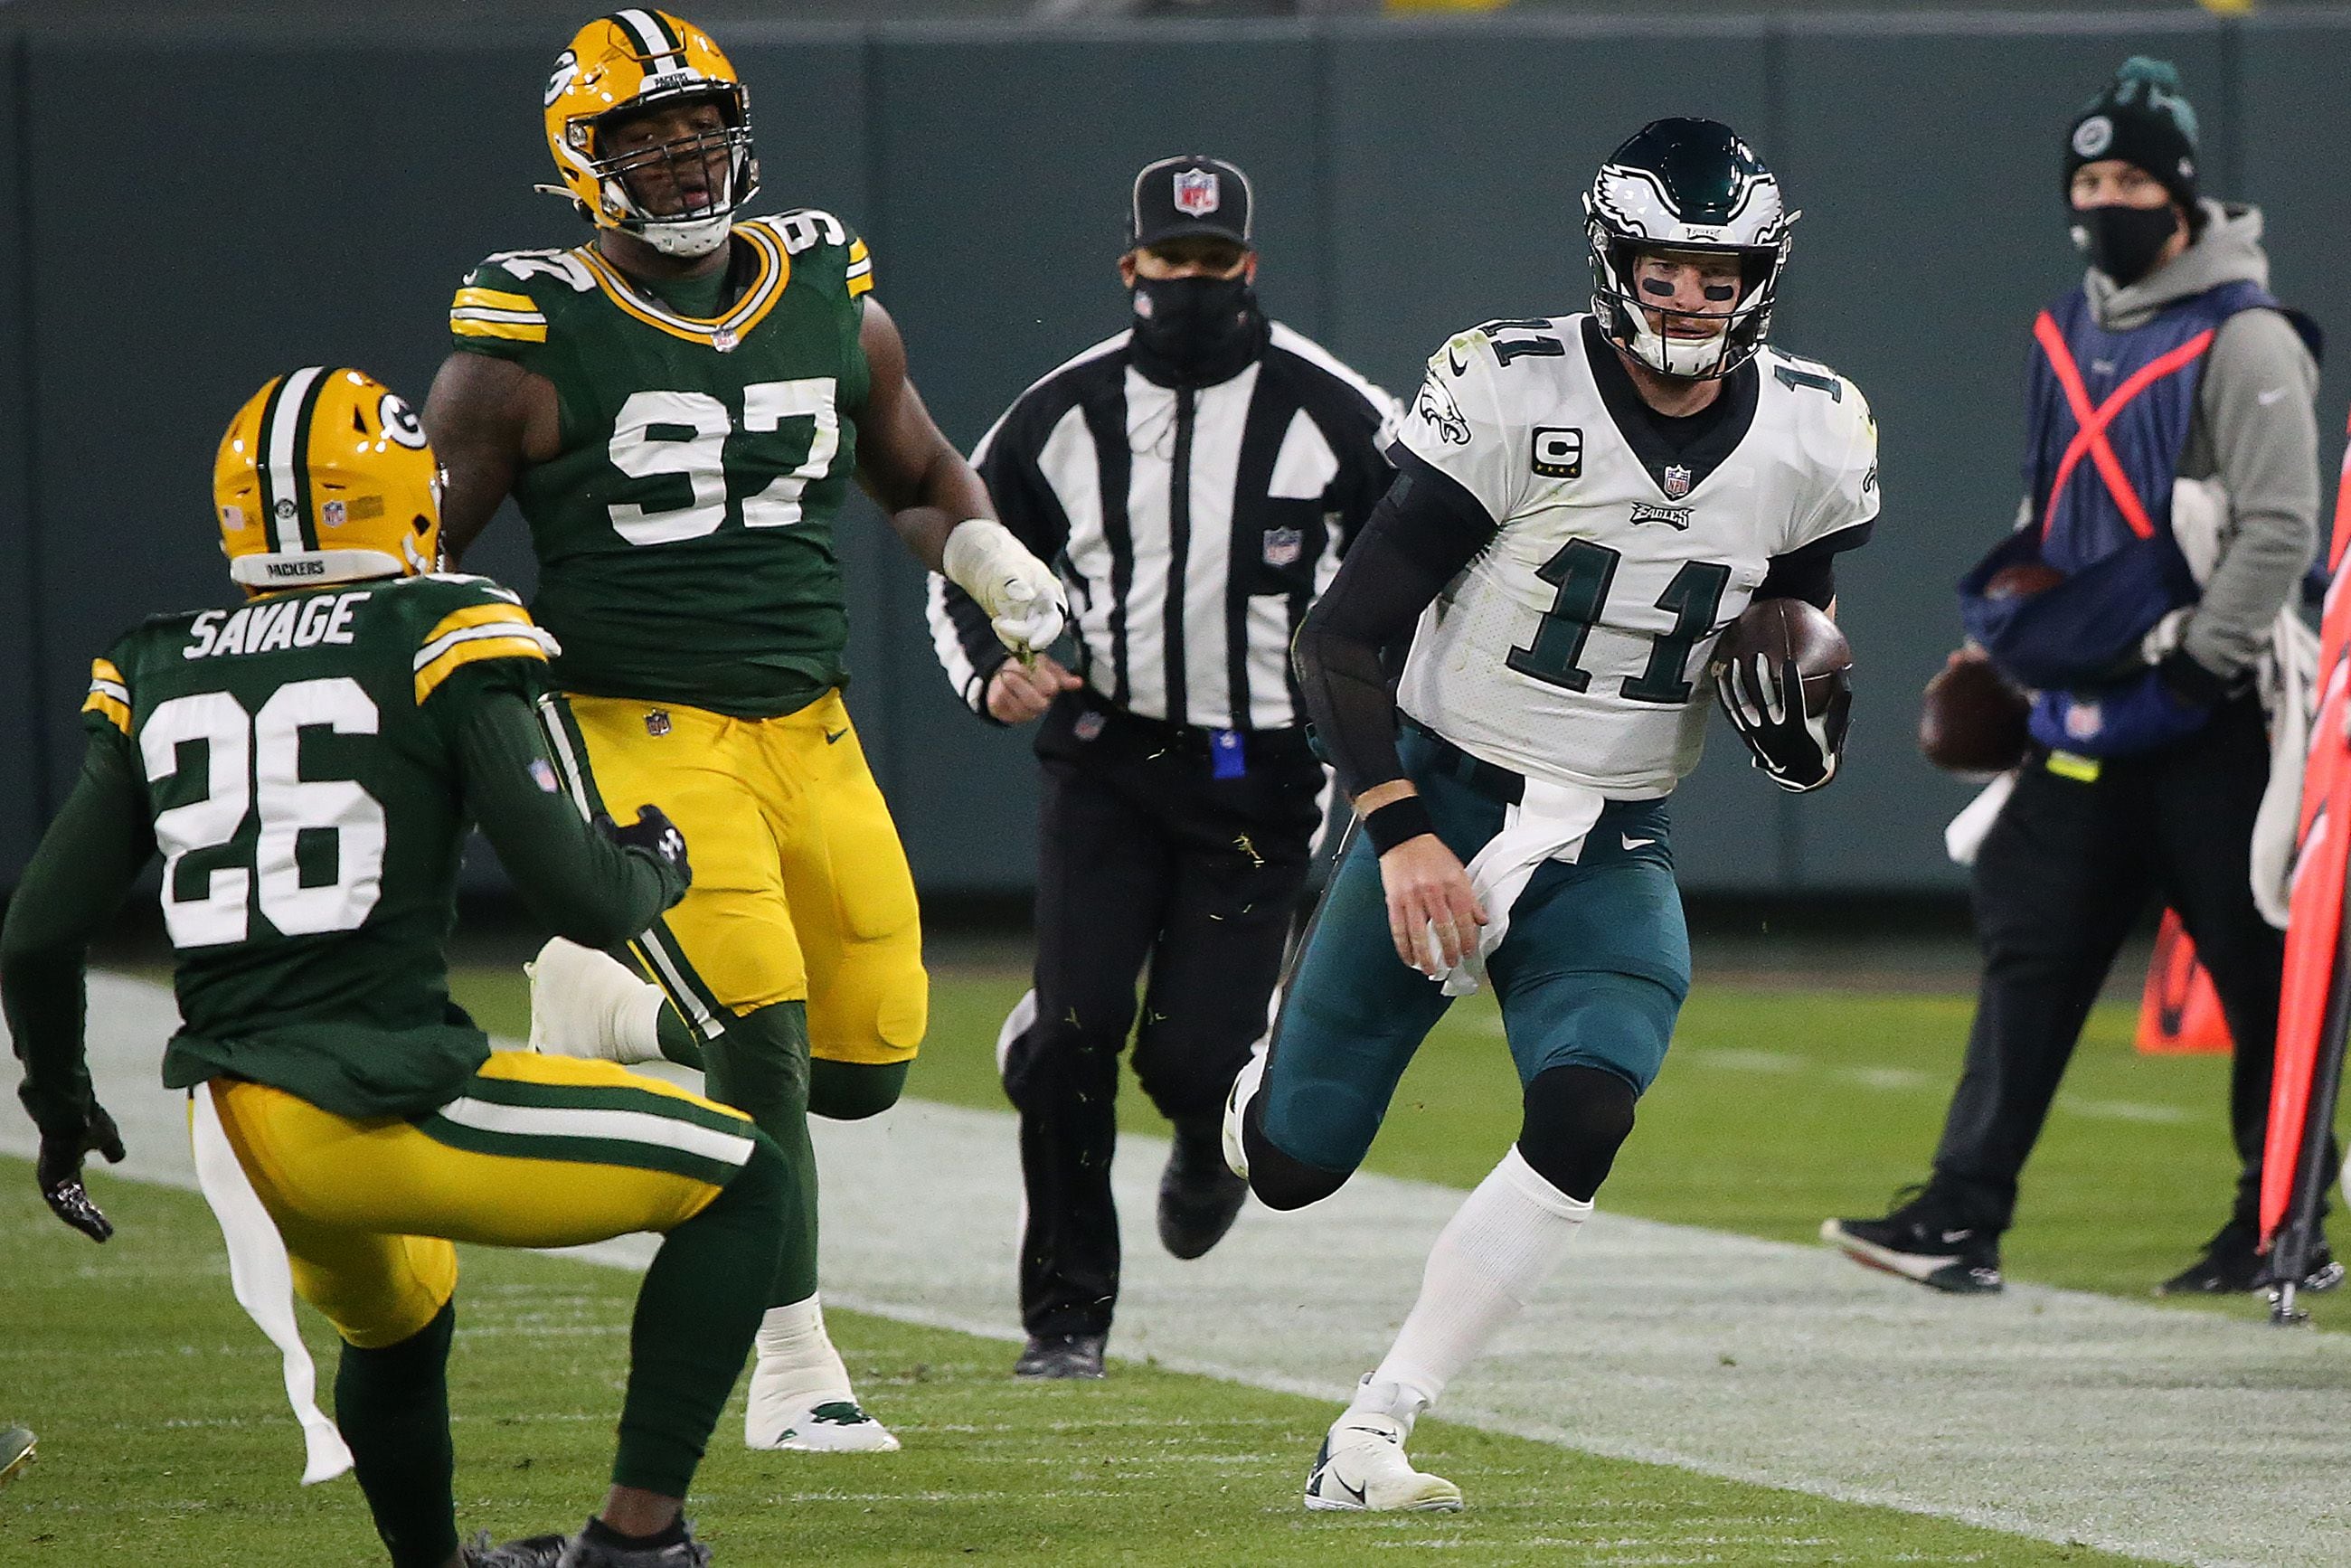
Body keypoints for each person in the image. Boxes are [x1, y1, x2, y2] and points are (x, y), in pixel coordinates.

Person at [421, 10, 1063, 1450]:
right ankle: (793, 1368)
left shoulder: (826, 285)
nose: (682, 157)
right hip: (636, 724)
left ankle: (610, 1009)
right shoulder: (524, 336)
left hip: (810, 727)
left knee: (866, 1061)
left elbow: (909, 462)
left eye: (698, 127)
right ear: (584, 162)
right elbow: (422, 555)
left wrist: (981, 554)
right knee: (763, 1029)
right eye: (646, 136)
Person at [2, 367, 772, 1568]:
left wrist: (57, 1102)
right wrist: (655, 866)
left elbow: (38, 932)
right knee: (750, 1176)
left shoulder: (156, 660)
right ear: (408, 494)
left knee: (402, 1320)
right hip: (380, 1091)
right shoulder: (440, 627)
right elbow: (576, 891)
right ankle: (638, 1539)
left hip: (242, 1128)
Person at [1223, 119, 1877, 1510]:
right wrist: (1399, 829)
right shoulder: (1513, 390)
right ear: (1612, 262)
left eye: (1720, 273)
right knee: (1291, 1164)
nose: (1691, 299)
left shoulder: (1817, 431)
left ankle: (1374, 1429)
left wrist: (1799, 703)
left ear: (1759, 276)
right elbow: (1341, 640)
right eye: (1665, 267)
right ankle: (1257, 1081)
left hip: (1612, 833)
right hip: (1444, 788)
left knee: (1588, 1104)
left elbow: (1795, 617)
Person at [1825, 57, 2337, 1299]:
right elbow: (2051, 504)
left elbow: (2279, 526)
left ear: (2180, 193)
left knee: (2262, 976)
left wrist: (2203, 664)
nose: (2109, 197)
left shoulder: (2250, 334)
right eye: (2092, 177)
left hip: (2215, 717)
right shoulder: (2064, 326)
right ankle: (1960, 1212)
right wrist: (2008, 639)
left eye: (2131, 178)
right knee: (2030, 942)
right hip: (2080, 710)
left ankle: (2282, 1221)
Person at [926, 155, 1398, 1380]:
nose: (1191, 280)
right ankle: (1066, 1317)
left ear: (1249, 263)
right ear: (1129, 263)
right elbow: (965, 549)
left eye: (1213, 261)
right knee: (1079, 1032)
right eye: (1170, 260)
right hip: (1105, 752)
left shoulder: (1339, 412)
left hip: (1260, 769)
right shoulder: (1062, 410)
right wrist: (993, 669)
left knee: (1195, 1055)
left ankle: (1202, 1134)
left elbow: (1425, 567)